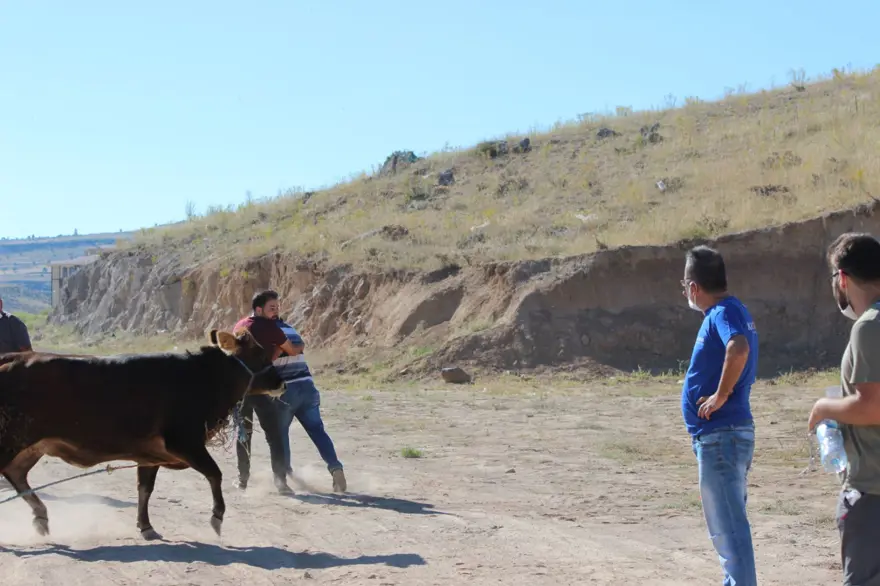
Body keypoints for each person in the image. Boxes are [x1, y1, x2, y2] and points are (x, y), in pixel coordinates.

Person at [680, 245, 759, 586]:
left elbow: (738, 347)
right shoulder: (731, 310)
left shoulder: (723, 313)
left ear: (694, 287)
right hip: (724, 437)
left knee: (730, 533)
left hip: (721, 437)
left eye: (684, 286)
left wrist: (720, 395)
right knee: (728, 530)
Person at [808, 232, 880, 585]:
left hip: (873, 492)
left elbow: (872, 407)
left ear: (843, 278)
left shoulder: (868, 328)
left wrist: (826, 408)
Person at [232, 289, 300, 494]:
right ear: (259, 309)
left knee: (244, 435)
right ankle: (281, 483)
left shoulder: (239, 326)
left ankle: (242, 480)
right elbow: (291, 349)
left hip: (240, 390)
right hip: (263, 389)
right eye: (272, 308)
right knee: (275, 436)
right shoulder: (270, 327)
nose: (276, 312)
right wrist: (279, 350)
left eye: (278, 308)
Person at [273, 315, 347, 493]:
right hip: (308, 387)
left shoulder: (269, 333)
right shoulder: (291, 329)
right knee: (317, 431)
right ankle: (335, 467)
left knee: (279, 433)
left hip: (287, 389)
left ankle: (285, 475)